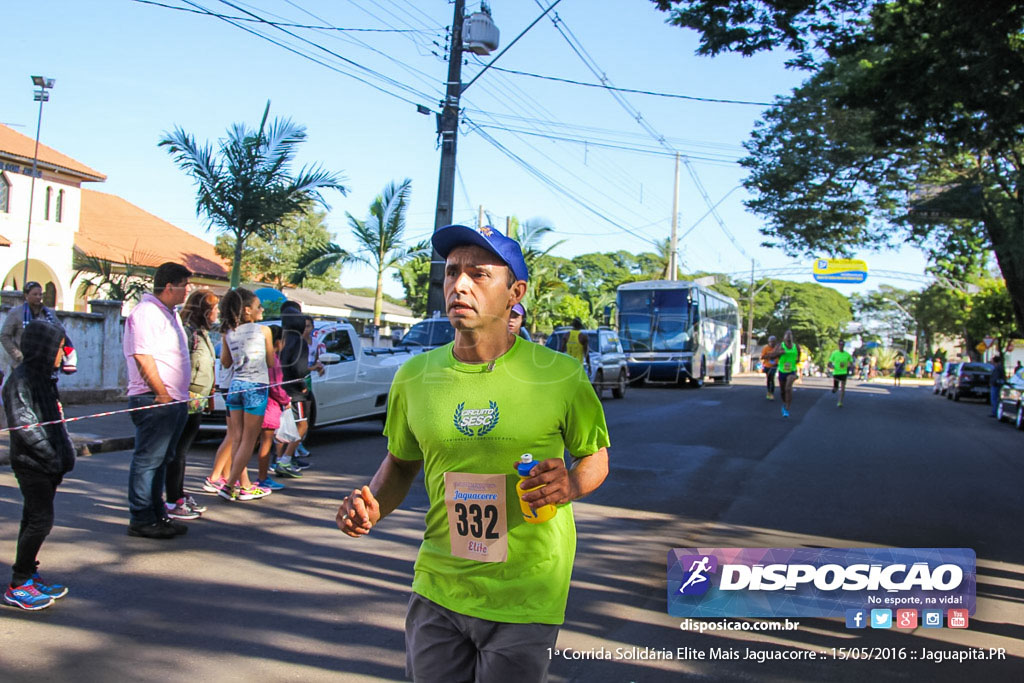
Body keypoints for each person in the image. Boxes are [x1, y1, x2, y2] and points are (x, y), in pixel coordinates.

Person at [336, 223, 610, 682]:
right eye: (451, 273)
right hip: (439, 585)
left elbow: (595, 457)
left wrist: (571, 482)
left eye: (479, 275)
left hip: (526, 590)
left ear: (514, 292)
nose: (459, 284)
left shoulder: (561, 375)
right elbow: (401, 464)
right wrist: (371, 507)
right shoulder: (414, 376)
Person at [3, 321, 75, 611]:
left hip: (49, 463)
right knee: (40, 521)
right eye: (59, 348)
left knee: (32, 518)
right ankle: (19, 584)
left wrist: (63, 454)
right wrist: (51, 455)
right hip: (32, 464)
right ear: (43, 348)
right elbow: (25, 426)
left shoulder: (45, 378)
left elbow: (55, 421)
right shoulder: (20, 380)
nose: (63, 354)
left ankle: (29, 573)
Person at [123, 262, 192, 540]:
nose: (188, 290)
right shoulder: (146, 313)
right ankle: (141, 517)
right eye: (185, 285)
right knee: (148, 460)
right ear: (169, 286)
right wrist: (161, 392)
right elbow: (143, 356)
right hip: (155, 398)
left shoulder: (169, 313)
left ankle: (157, 514)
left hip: (172, 399)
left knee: (162, 460)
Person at [166, 290, 218, 521]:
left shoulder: (202, 333)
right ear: (205, 311)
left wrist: (210, 396)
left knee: (182, 452)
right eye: (215, 309)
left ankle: (178, 494)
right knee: (177, 452)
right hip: (186, 398)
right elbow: (181, 365)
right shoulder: (188, 333)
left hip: (199, 399)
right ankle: (172, 499)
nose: (218, 313)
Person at [218, 288, 274, 502]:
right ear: (248, 310)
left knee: (238, 438)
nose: (262, 309)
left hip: (235, 386)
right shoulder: (263, 331)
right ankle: (230, 484)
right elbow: (270, 362)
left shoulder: (228, 332)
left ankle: (245, 484)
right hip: (256, 386)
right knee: (250, 440)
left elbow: (225, 362)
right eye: (259, 306)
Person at [1, 281, 76, 375]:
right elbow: (4, 336)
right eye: (35, 294)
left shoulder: (49, 314)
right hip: (22, 364)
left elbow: (60, 332)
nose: (38, 297)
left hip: (45, 365)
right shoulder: (16, 313)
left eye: (40, 294)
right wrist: (18, 355)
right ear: (26, 295)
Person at [255, 324, 290, 490]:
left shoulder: (257, 357)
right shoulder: (273, 361)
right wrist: (286, 400)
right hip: (269, 407)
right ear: (277, 342)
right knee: (266, 444)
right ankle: (262, 478)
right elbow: (276, 386)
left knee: (246, 443)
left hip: (256, 405)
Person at [766, 329, 799, 418]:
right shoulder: (780, 346)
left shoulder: (796, 346)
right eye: (787, 335)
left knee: (788, 388)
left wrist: (794, 363)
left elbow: (798, 358)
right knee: (783, 391)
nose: (788, 337)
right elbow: (771, 356)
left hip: (792, 371)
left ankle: (787, 408)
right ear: (784, 337)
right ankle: (784, 404)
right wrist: (779, 353)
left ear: (792, 337)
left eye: (790, 335)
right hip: (782, 371)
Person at [827, 340, 853, 407]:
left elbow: (851, 362)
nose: (841, 346)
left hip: (843, 373)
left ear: (844, 346)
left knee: (843, 387)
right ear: (838, 345)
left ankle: (840, 402)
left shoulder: (847, 355)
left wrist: (849, 366)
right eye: (840, 345)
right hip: (836, 373)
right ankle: (834, 389)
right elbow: (829, 362)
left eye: (842, 345)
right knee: (836, 388)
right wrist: (831, 366)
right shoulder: (834, 353)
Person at [760, 336, 779, 400]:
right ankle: (768, 391)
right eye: (771, 342)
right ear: (769, 342)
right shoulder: (765, 348)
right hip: (767, 365)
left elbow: (779, 356)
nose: (772, 343)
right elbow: (762, 357)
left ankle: (772, 393)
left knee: (772, 378)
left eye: (773, 342)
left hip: (774, 365)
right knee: (768, 379)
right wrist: (769, 356)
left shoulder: (777, 348)